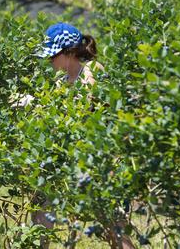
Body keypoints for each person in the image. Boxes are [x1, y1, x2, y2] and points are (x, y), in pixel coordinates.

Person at [35, 22, 134, 249]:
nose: (50, 61)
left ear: (69, 52)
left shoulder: (92, 72)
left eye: (53, 55)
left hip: (99, 162)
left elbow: (89, 115)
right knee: (41, 218)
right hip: (71, 159)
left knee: (115, 228)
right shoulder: (60, 81)